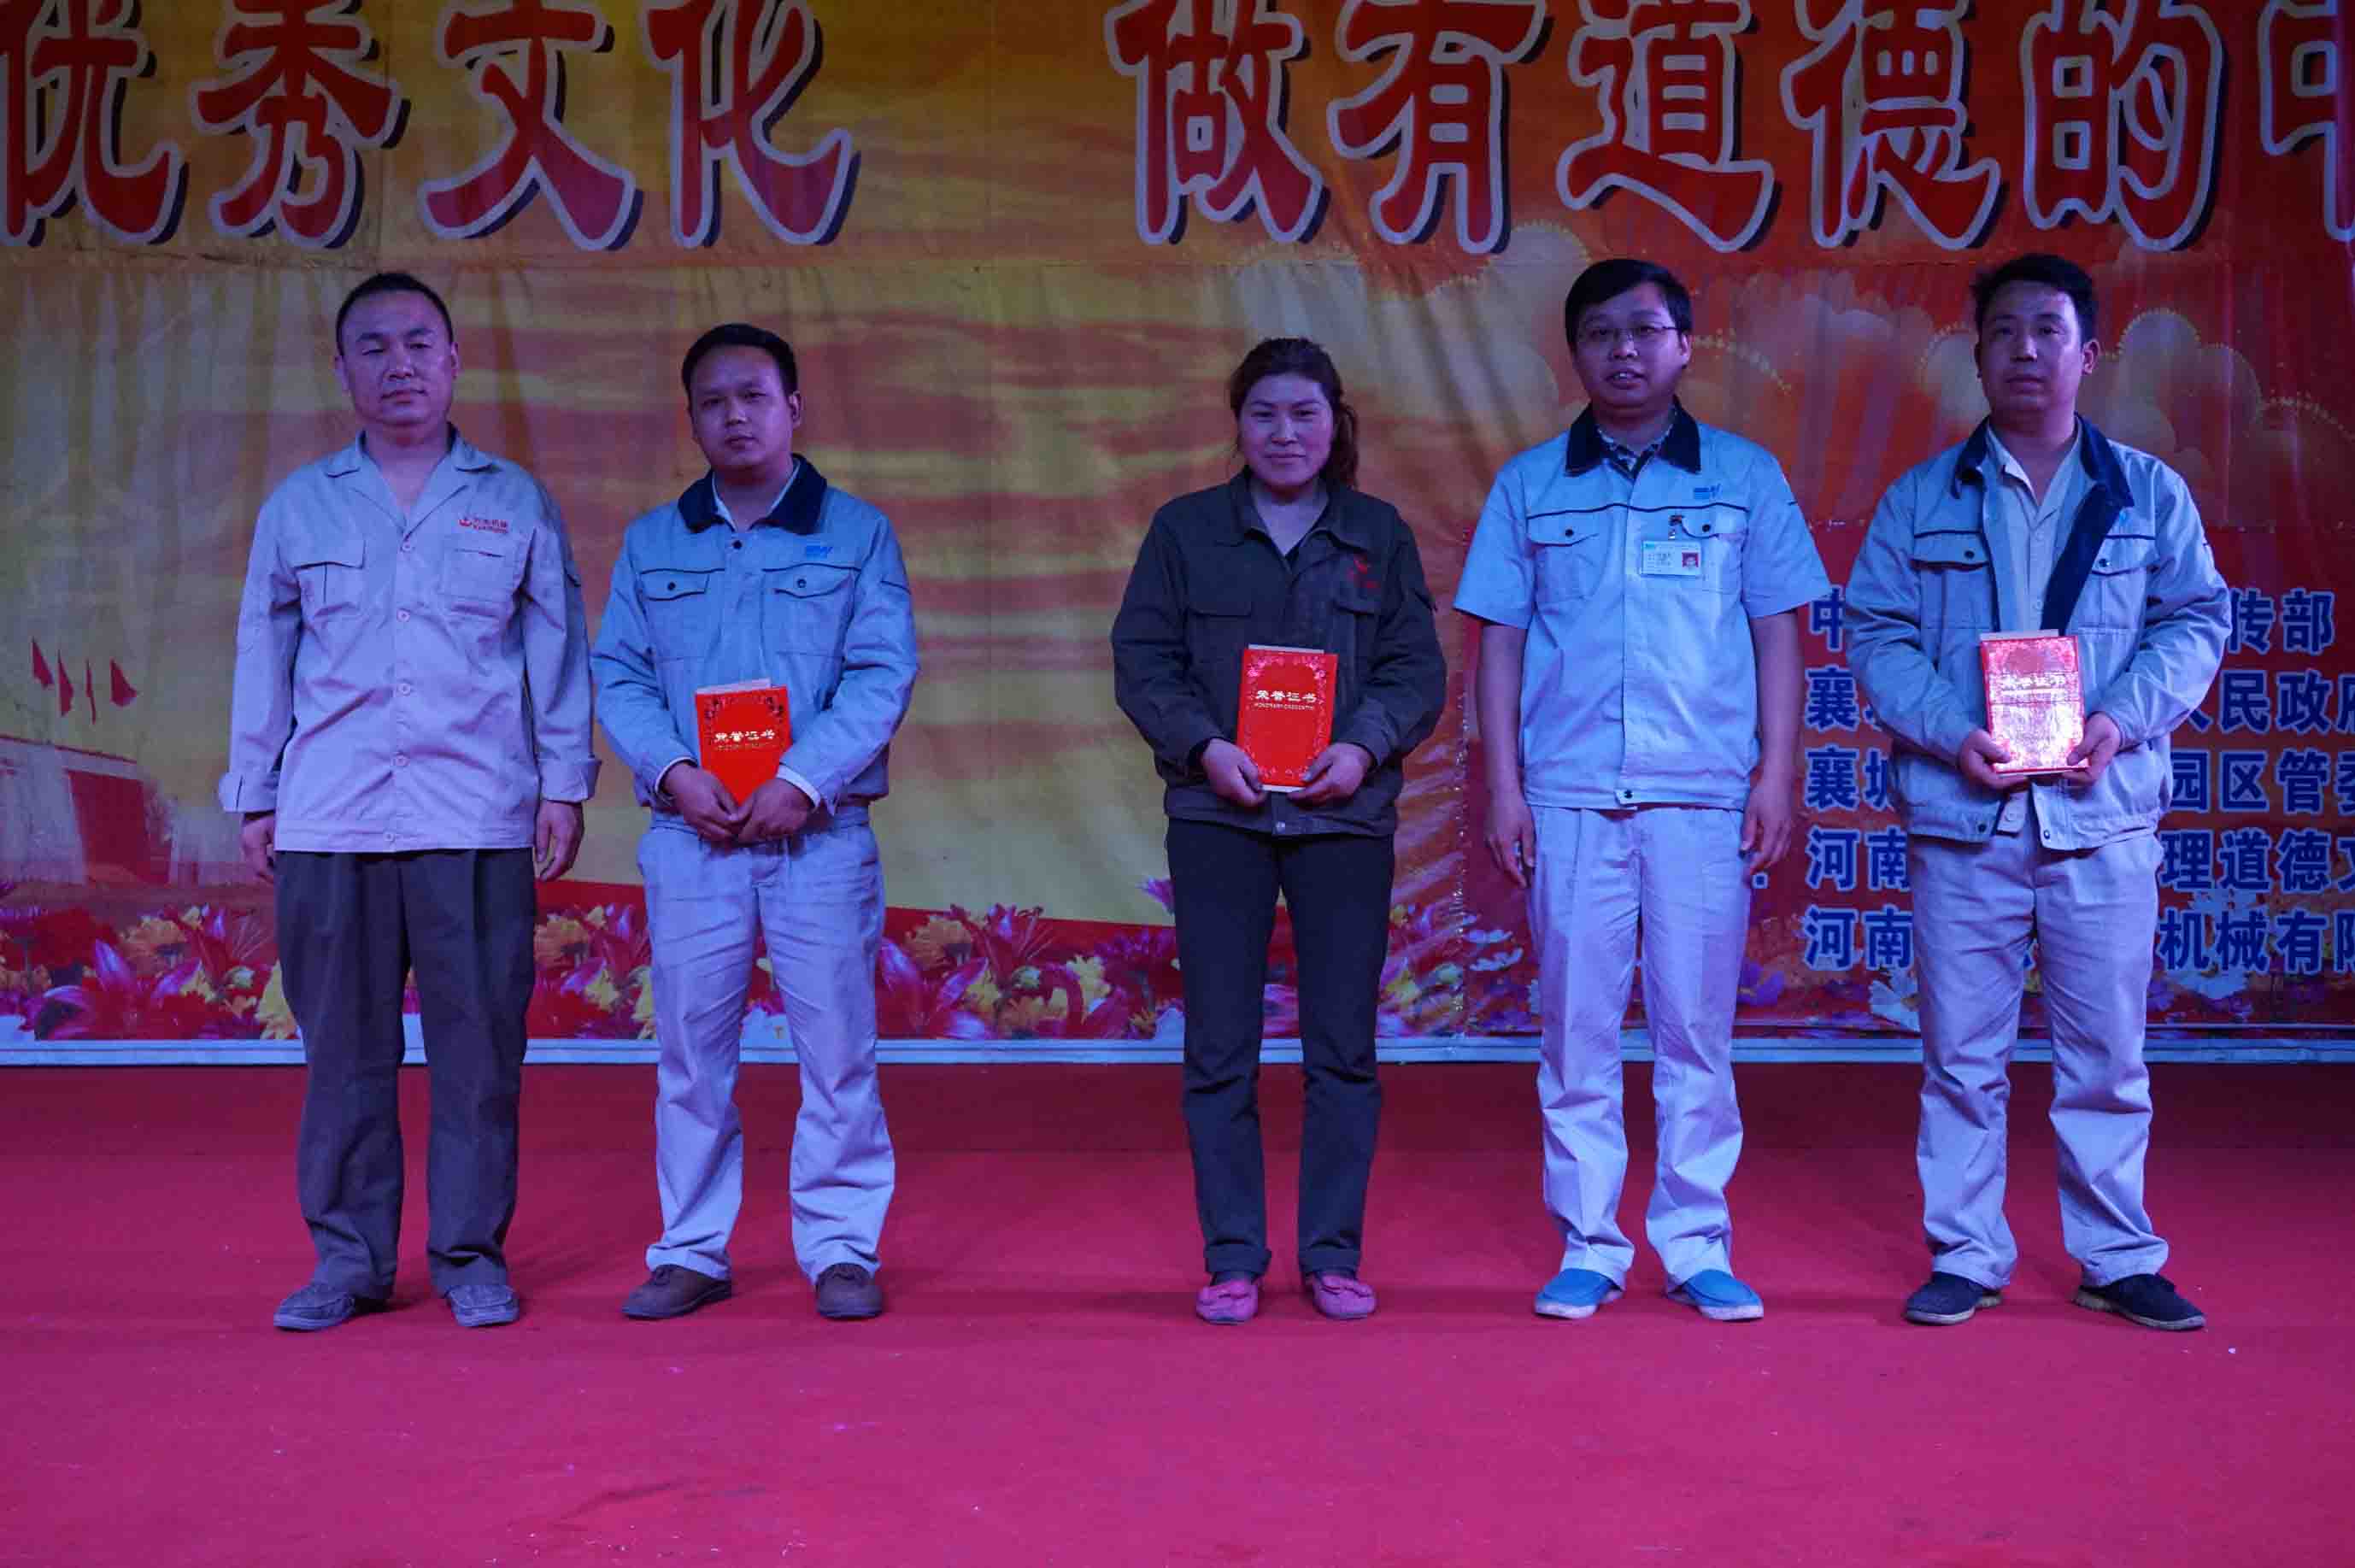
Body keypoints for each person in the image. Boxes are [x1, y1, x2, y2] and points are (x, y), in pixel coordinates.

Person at [1846, 254, 2229, 1331]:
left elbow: (2196, 619)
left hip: (2098, 814)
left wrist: (2120, 719)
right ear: (1975, 354)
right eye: (2002, 331)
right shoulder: (1920, 498)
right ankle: (1966, 1252)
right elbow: (1872, 631)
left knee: (2104, 1055)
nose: (2023, 349)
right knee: (1958, 1059)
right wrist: (1947, 730)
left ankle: (2114, 1253)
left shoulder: (2146, 492)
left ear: (2086, 353)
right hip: (1963, 812)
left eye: (2046, 330)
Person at [221, 271, 598, 1332]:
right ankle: (349, 1262)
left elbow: (556, 650)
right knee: (343, 1056)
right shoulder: (300, 505)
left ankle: (471, 1254)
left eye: (420, 344)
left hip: (473, 814)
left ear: (455, 362)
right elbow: (262, 653)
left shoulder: (512, 500)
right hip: (330, 816)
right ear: (342, 370)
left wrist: (563, 783)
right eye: (375, 347)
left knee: (479, 1053)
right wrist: (256, 790)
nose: (400, 365)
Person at [1457, 259, 1829, 1324]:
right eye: (1600, 333)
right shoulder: (1530, 485)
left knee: (1693, 1032)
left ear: (1683, 346)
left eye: (1644, 330)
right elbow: (1498, 642)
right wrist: (1504, 786)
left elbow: (1776, 630)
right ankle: (1587, 1243)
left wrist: (1774, 772)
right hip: (1568, 796)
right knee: (1574, 1031)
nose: (1623, 350)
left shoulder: (1741, 477)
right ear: (1573, 352)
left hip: (1700, 796)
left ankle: (1696, 1242)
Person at [1111, 338, 1444, 1326]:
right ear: (1238, 424)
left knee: (1342, 1048)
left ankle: (1331, 1254)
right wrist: (1203, 745)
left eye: (1304, 413)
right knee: (1220, 1044)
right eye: (1263, 413)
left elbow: (1414, 669)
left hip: (1344, 817)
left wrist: (1362, 746)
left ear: (1335, 422)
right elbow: (1143, 660)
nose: (1283, 432)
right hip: (1218, 813)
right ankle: (1232, 1256)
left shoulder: (1376, 533)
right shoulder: (1185, 530)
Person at [591, 324, 919, 1323]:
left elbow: (881, 671)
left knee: (837, 1051)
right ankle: (690, 1249)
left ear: (793, 410)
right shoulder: (653, 542)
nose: (734, 416)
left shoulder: (856, 533)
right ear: (690, 419)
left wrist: (803, 779)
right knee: (692, 1055)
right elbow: (618, 674)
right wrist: (673, 770)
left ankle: (841, 1248)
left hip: (817, 834)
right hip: (693, 834)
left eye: (754, 397)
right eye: (713, 402)